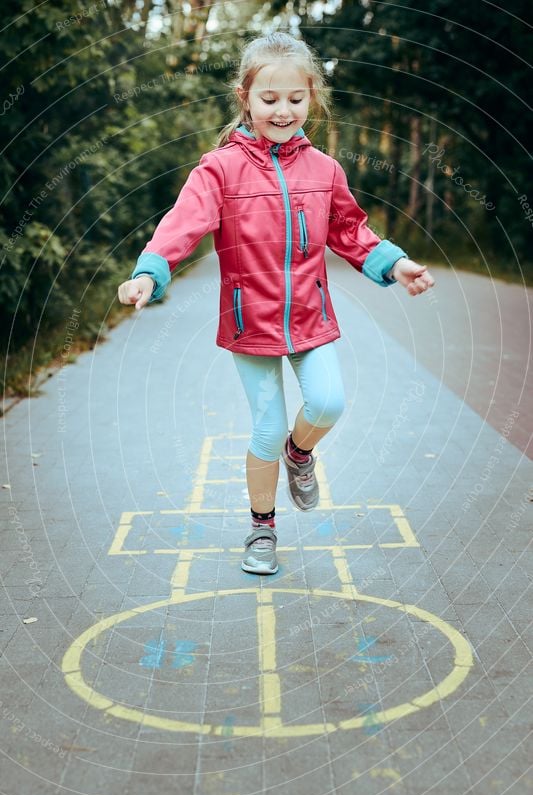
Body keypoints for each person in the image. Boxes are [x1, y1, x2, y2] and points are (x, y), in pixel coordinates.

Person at [117, 32, 434, 577]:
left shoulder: (325, 170)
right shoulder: (218, 169)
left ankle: (299, 455)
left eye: (295, 98)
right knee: (265, 427)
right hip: (249, 321)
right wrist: (150, 272)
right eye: (269, 99)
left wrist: (395, 263)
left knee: (328, 403)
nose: (282, 110)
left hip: (310, 315)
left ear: (312, 96)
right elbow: (183, 223)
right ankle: (262, 527)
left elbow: (349, 230)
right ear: (245, 96)